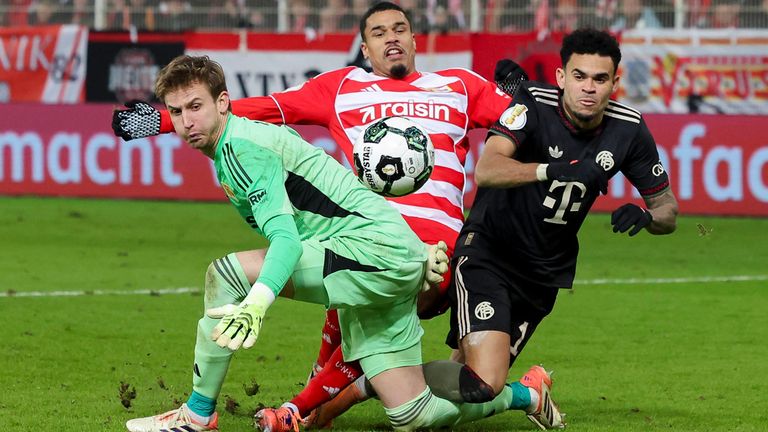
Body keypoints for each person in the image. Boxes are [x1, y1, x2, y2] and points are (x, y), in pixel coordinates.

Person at [112, 3, 552, 431]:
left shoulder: (457, 84)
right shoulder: (340, 88)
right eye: (378, 32)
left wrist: (523, 97)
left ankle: (212, 413)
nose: (391, 38)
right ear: (364, 48)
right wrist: (160, 123)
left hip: (410, 246)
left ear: (416, 39)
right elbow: (250, 109)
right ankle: (526, 395)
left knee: (229, 275)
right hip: (374, 242)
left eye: (399, 28)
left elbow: (522, 124)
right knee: (413, 414)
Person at [446, 28, 679, 429]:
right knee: (483, 380)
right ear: (561, 77)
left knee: (466, 389)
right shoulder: (533, 105)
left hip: (543, 274)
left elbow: (668, 212)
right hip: (490, 251)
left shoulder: (629, 129)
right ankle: (379, 384)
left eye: (600, 79)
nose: (589, 88)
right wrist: (555, 169)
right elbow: (487, 169)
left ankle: (519, 391)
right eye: (580, 76)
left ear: (615, 83)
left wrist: (646, 216)